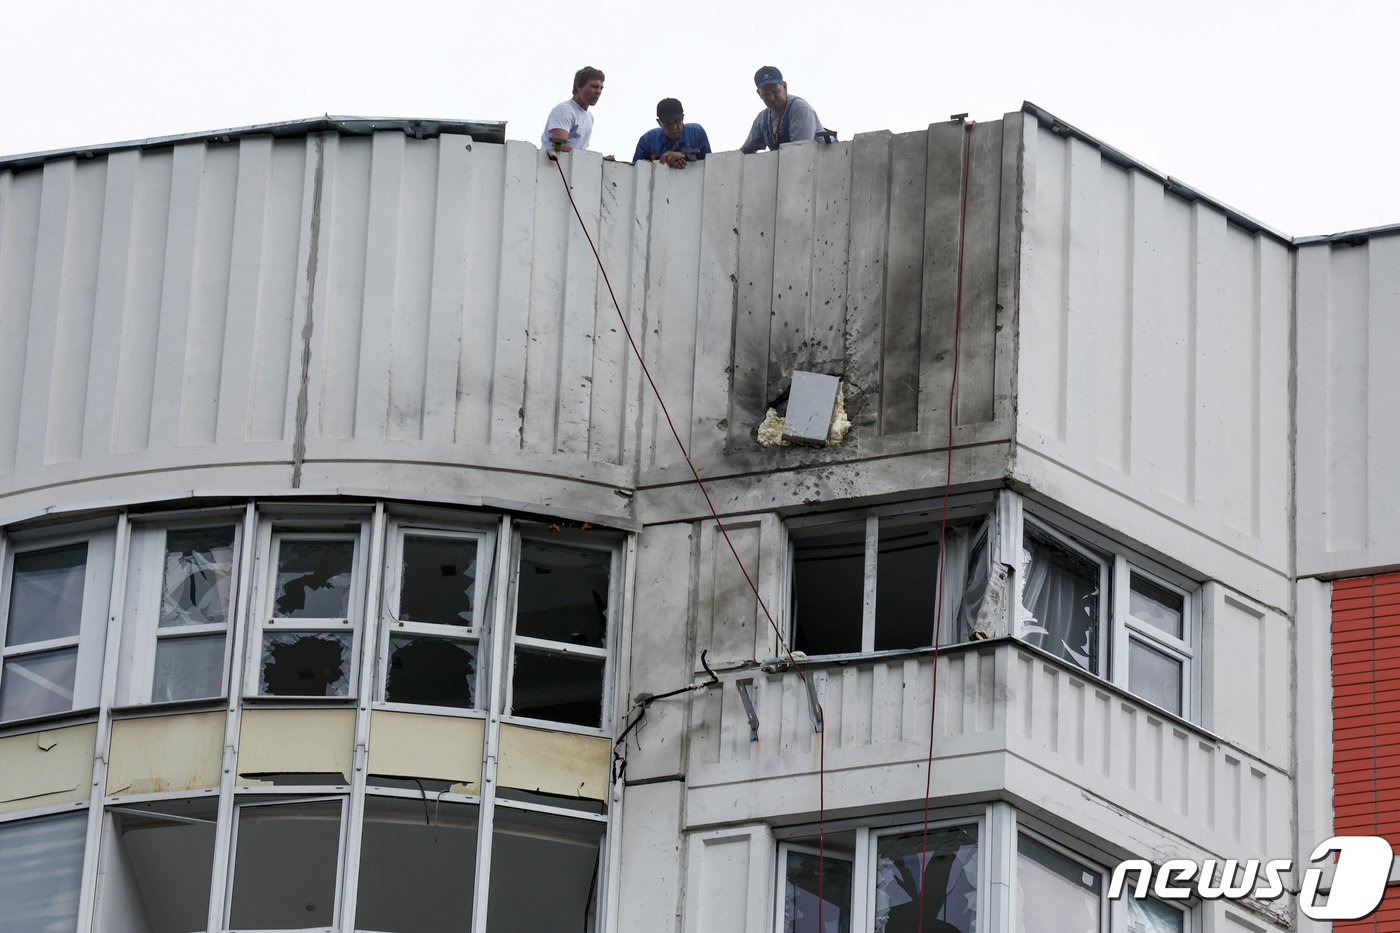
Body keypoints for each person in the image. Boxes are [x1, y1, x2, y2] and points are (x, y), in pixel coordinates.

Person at [740, 66, 826, 153]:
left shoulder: (800, 108)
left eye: (775, 91)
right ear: (759, 94)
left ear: (784, 86)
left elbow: (799, 151)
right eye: (766, 94)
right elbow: (745, 151)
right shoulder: (762, 119)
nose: (772, 98)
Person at [633, 98, 712, 168]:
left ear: (683, 118)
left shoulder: (697, 133)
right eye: (668, 123)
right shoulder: (647, 141)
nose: (674, 127)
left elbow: (709, 160)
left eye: (677, 121)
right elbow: (637, 169)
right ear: (659, 122)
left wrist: (684, 155)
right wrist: (663, 163)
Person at [541, 66, 605, 153]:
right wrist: (593, 157)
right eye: (594, 86)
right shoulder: (564, 110)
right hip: (552, 165)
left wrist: (598, 160)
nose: (598, 91)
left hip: (574, 165)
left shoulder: (590, 117)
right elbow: (558, 145)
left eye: (601, 88)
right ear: (578, 86)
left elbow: (581, 151)